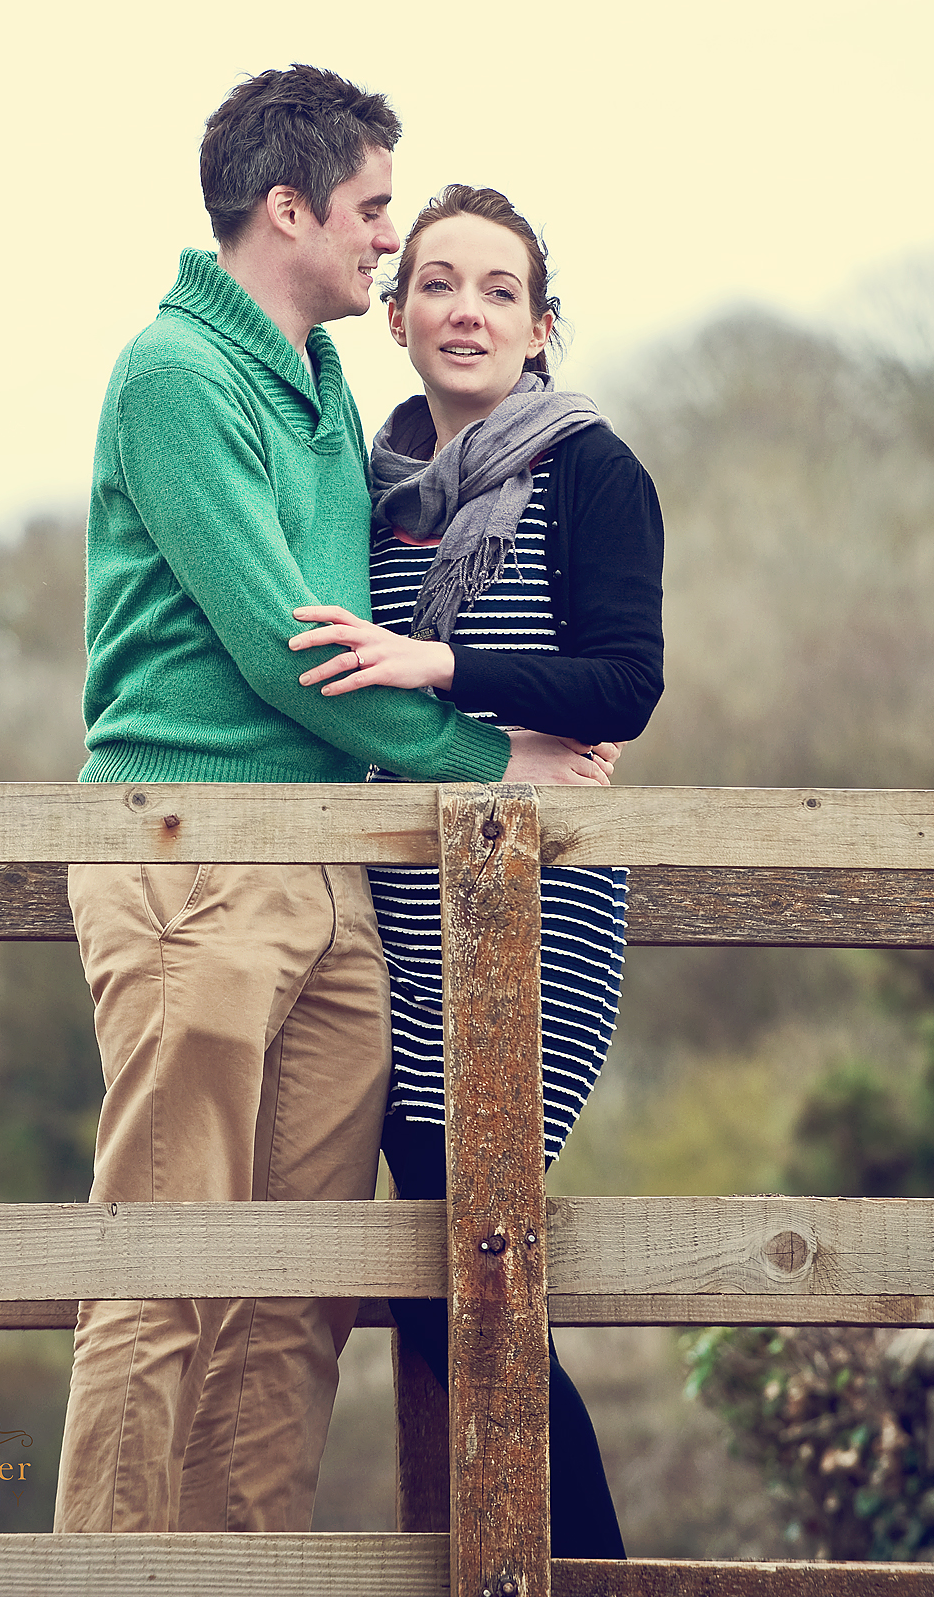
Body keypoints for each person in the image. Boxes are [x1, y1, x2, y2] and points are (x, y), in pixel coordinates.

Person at [54, 78, 591, 1539]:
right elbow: (285, 648)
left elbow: (365, 638)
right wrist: (493, 767)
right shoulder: (176, 376)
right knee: (165, 1272)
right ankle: (101, 1583)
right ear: (285, 209)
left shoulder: (315, 384)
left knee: (302, 1292)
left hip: (326, 863)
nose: (384, 243)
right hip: (191, 856)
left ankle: (245, 1575)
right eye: (370, 212)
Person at [289, 183, 665, 1558]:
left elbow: (623, 683)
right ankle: (519, 1568)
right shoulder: (367, 497)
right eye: (438, 283)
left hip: (540, 912)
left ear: (542, 325)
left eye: (499, 290)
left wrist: (441, 666)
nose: (467, 310)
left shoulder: (591, 471)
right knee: (432, 1274)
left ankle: (580, 1574)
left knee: (476, 1260)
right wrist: (486, 738)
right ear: (395, 317)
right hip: (389, 911)